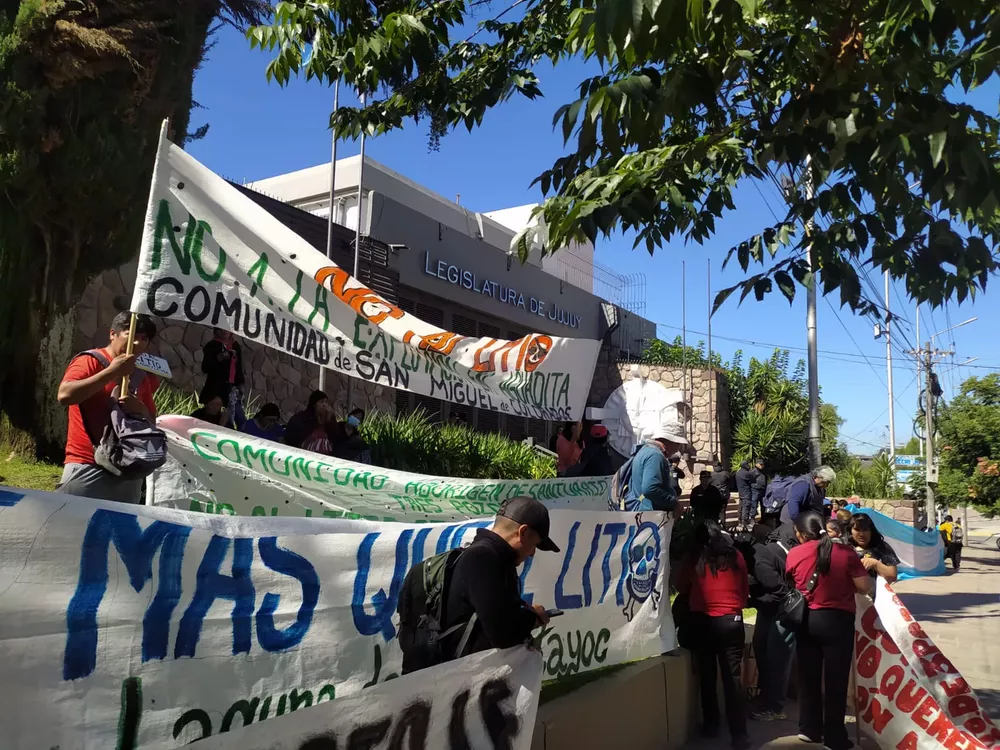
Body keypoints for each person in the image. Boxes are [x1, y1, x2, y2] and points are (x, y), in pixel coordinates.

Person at [405, 496, 558, 672]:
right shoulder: (483, 559)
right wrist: (533, 617)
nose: (532, 553)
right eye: (534, 545)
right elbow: (502, 634)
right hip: (452, 681)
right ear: (522, 532)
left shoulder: (494, 559)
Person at [786, 511, 873, 749]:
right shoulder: (846, 553)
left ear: (802, 534)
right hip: (838, 621)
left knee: (808, 676)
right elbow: (865, 586)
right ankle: (835, 735)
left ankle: (809, 729)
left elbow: (792, 582)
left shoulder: (794, 553)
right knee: (836, 680)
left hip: (807, 620)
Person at [56, 312, 160, 504]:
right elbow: (64, 395)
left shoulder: (141, 377)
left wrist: (140, 409)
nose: (137, 343)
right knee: (69, 530)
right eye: (131, 335)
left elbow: (152, 422)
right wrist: (111, 371)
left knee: (120, 532)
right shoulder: (90, 361)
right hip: (88, 464)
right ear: (113, 334)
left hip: (128, 469)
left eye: (144, 339)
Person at [677, 521, 750, 749]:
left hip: (702, 620)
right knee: (733, 679)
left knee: (707, 677)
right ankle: (739, 734)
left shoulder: (694, 557)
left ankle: (711, 725)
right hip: (731, 620)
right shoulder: (736, 556)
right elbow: (744, 591)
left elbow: (680, 587)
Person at [749, 521, 798, 722]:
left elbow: (777, 587)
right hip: (774, 610)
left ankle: (774, 705)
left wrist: (751, 600)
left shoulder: (760, 556)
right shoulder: (781, 550)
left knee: (777, 659)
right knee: (765, 651)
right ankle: (769, 696)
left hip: (780, 611)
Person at [618, 429, 682, 511]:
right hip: (650, 514)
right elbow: (650, 489)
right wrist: (674, 503)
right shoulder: (655, 456)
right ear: (670, 441)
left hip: (643, 512)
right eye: (678, 444)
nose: (677, 449)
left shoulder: (645, 450)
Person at [200, 328, 245, 429]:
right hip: (216, 388)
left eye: (227, 330)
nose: (225, 332)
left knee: (239, 418)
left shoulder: (236, 346)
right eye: (221, 330)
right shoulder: (212, 345)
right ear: (216, 331)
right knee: (212, 416)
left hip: (233, 388)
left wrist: (241, 383)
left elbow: (239, 366)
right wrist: (218, 358)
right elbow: (205, 368)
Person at [849, 514, 900, 584]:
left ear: (871, 531)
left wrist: (875, 564)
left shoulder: (882, 547)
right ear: (850, 530)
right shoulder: (844, 547)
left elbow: (893, 576)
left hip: (876, 593)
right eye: (857, 530)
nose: (861, 534)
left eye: (865, 530)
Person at [735, 461, 755, 528]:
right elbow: (753, 480)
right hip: (746, 493)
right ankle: (744, 523)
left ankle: (740, 522)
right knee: (746, 508)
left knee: (740, 507)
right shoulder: (746, 473)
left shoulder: (738, 472)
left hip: (741, 492)